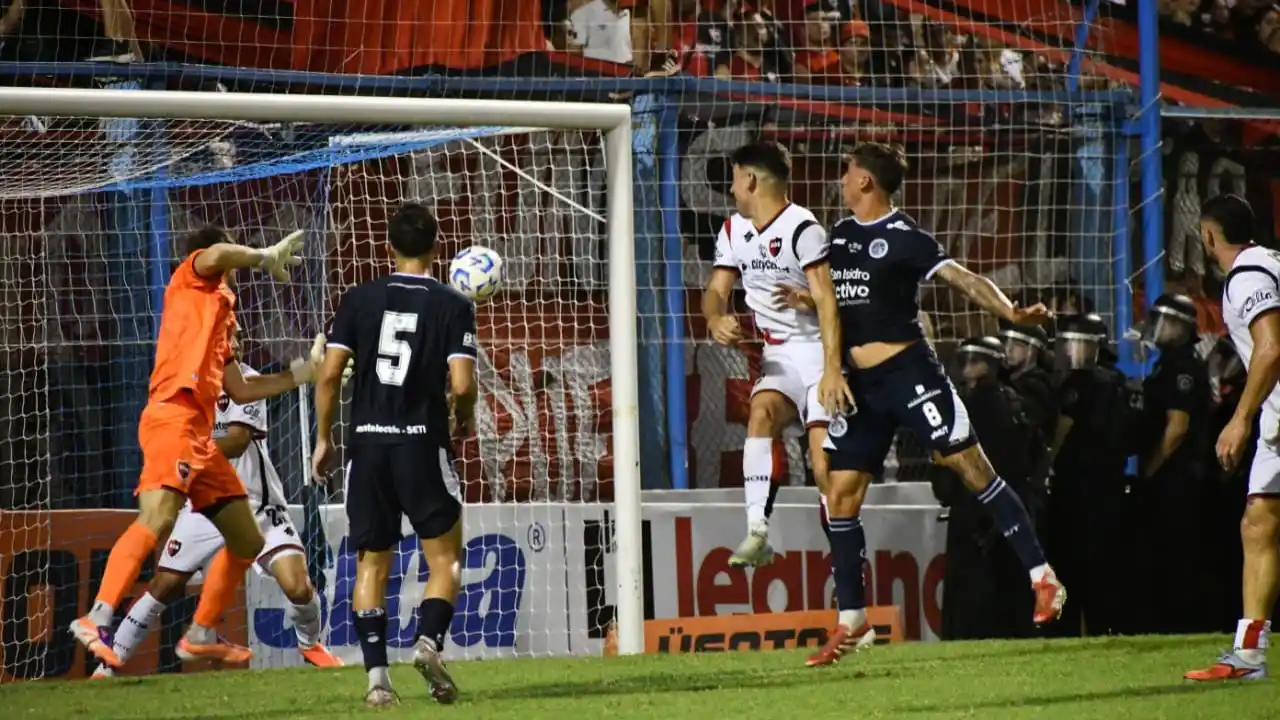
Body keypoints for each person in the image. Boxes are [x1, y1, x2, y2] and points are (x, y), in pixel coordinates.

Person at [808, 142, 1063, 667]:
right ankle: (852, 620)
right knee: (841, 491)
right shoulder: (839, 237)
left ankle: (1043, 578)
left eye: (848, 171)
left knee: (971, 467)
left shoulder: (905, 239)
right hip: (863, 385)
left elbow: (962, 277)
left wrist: (1011, 311)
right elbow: (829, 299)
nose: (842, 179)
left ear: (866, 183)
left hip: (910, 374)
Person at [69, 226, 320, 669]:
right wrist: (264, 256)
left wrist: (304, 374)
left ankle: (202, 631)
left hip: (200, 438)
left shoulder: (219, 321)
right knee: (159, 516)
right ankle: (98, 616)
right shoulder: (193, 277)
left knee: (245, 539)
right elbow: (218, 252)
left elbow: (242, 390)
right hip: (173, 418)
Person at [92, 337, 342, 677]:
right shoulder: (185, 394)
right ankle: (106, 666)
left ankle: (311, 644)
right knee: (164, 584)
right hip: (203, 507)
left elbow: (238, 441)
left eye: (236, 335)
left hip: (257, 505)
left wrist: (187, 449)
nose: (235, 342)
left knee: (298, 586)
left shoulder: (249, 383)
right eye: (227, 336)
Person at [312, 203, 476, 707]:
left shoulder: (359, 299)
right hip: (421, 444)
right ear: (435, 248)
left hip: (367, 446)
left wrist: (324, 439)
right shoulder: (452, 304)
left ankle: (377, 682)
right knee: (444, 559)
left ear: (389, 247)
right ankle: (428, 643)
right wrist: (463, 417)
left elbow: (328, 373)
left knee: (370, 566)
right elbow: (463, 383)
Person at [701, 140, 848, 568]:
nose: (731, 191)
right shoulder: (733, 231)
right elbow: (716, 291)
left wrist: (832, 366)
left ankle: (845, 563)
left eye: (733, 179)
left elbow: (831, 303)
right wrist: (714, 319)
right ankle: (757, 531)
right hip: (779, 357)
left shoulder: (804, 229)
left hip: (820, 357)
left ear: (750, 179)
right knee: (760, 411)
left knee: (823, 469)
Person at [1187, 194, 1280, 681]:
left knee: (1260, 522)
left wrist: (1239, 418)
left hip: (1274, 411)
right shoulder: (1269, 262)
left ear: (1207, 235)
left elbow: (1270, 349)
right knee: (1258, 521)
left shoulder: (1246, 277)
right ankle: (1248, 654)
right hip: (1276, 415)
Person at [939, 336, 1046, 640]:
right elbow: (1037, 457)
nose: (968, 367)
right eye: (966, 360)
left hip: (974, 512)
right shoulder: (1017, 403)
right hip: (1012, 509)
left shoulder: (966, 407)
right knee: (1013, 596)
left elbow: (949, 467)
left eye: (976, 360)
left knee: (973, 602)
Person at [1046, 313, 1131, 636]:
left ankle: (1073, 628)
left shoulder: (1079, 384)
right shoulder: (1118, 380)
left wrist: (1048, 462)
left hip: (1077, 485)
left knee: (1074, 562)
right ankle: (1103, 626)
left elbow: (1062, 431)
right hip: (1110, 482)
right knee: (1104, 562)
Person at [1137, 293, 1211, 634]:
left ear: (1182, 328)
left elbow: (1176, 429)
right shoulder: (1168, 364)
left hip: (1177, 476)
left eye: (1165, 322)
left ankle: (1181, 625)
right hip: (1173, 475)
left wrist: (1150, 470)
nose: (1157, 328)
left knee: (1176, 556)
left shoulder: (1182, 367)